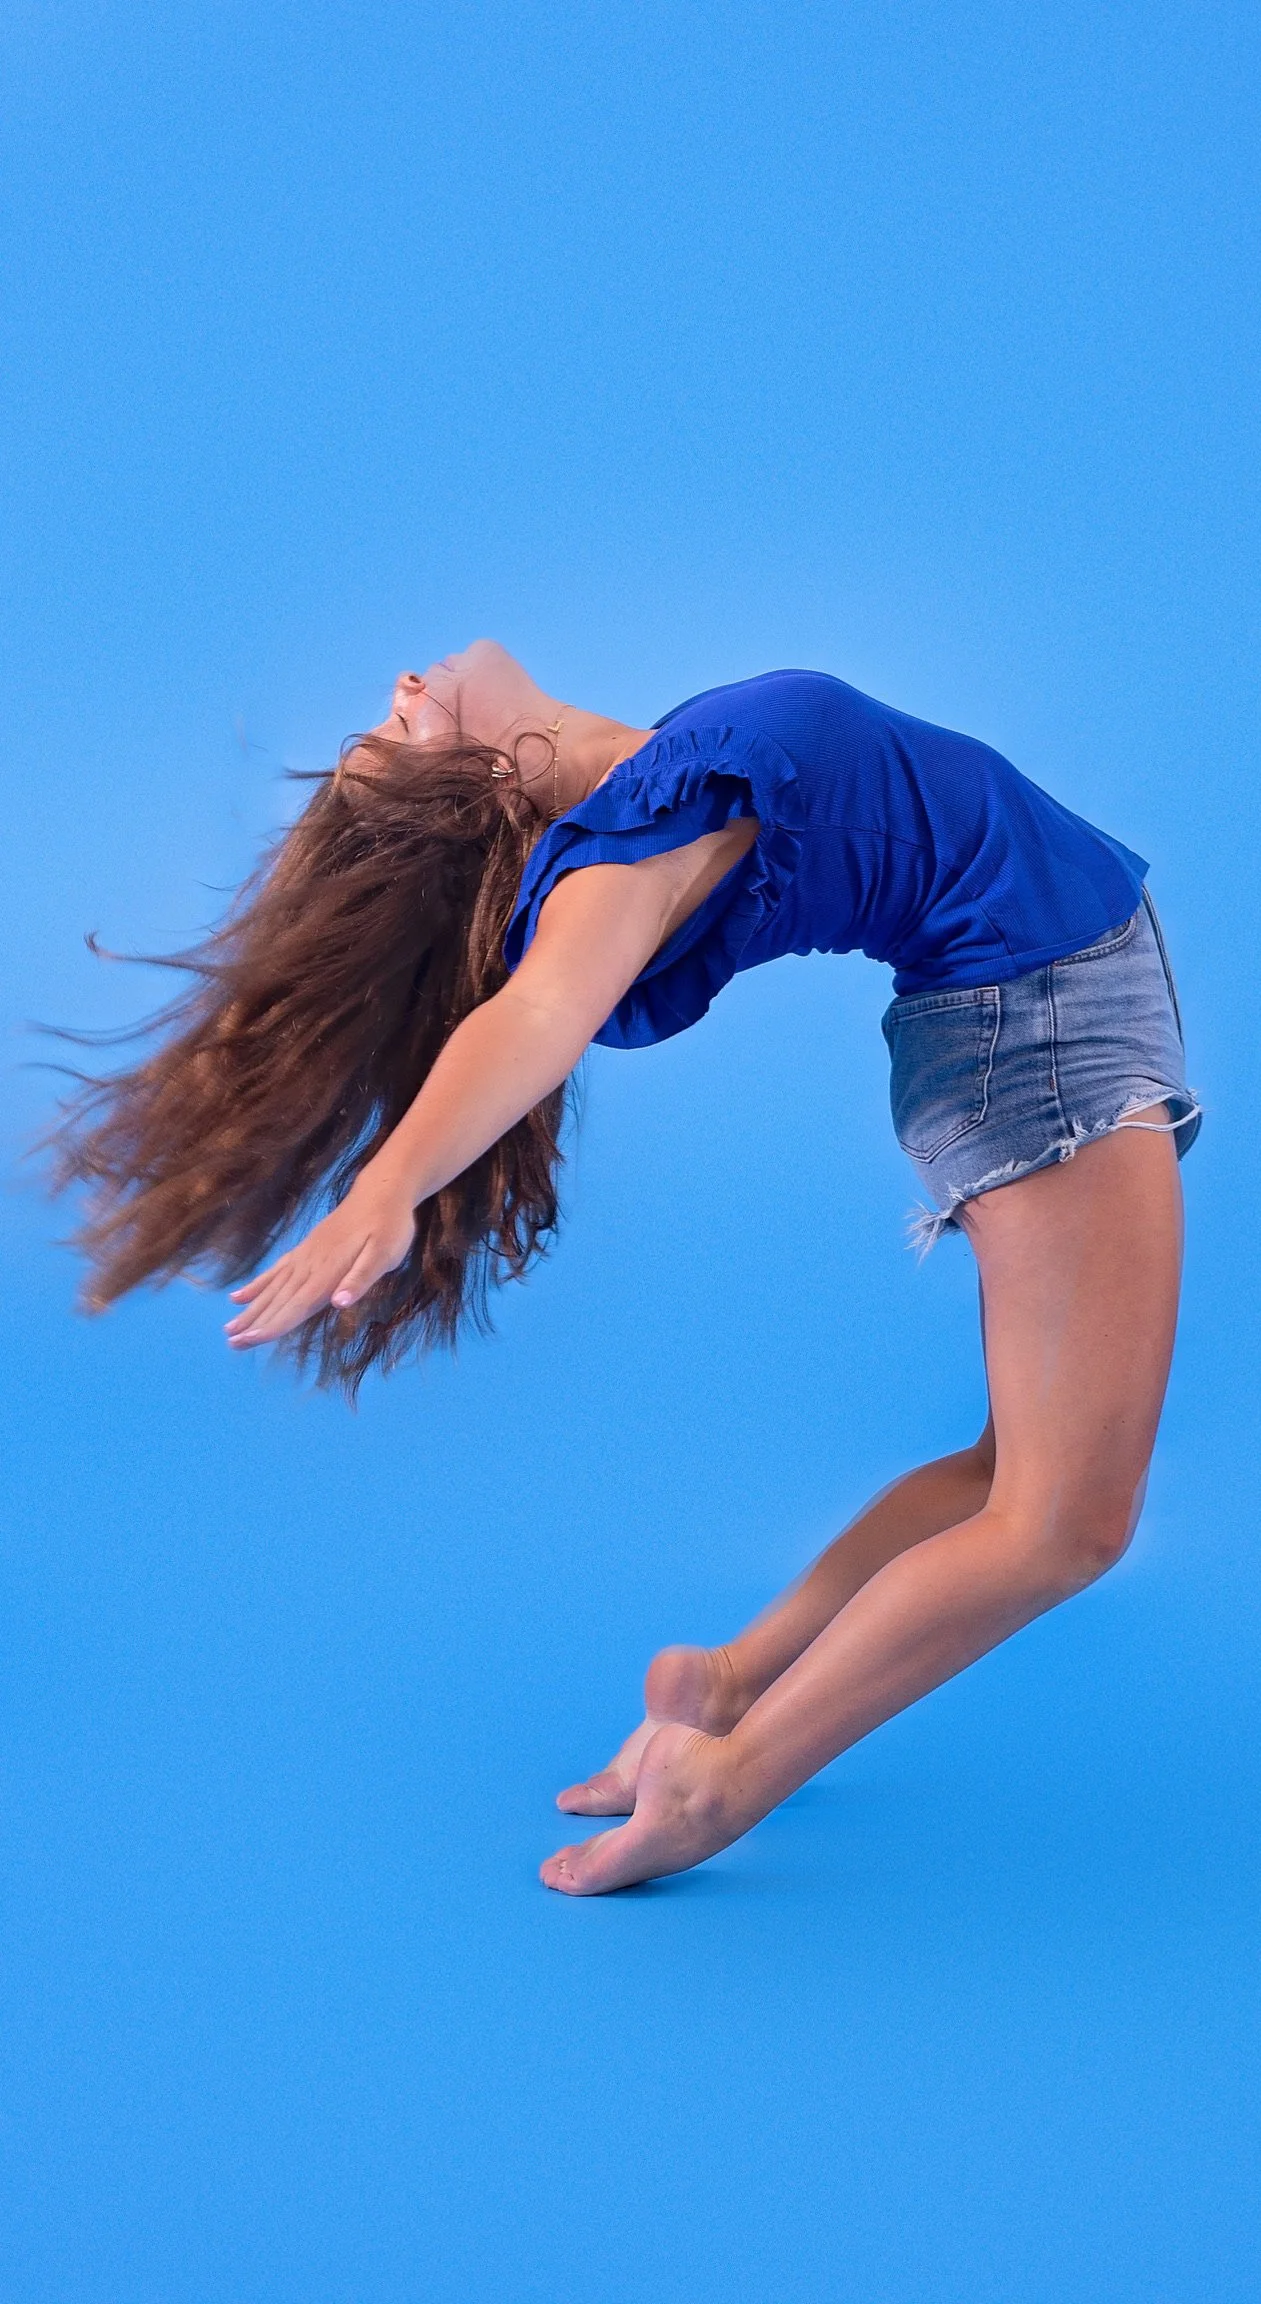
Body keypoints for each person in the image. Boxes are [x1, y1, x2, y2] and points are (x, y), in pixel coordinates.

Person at [53, 641, 1200, 1895]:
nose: (403, 686)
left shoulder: (643, 775)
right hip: (1038, 1032)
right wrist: (389, 1186)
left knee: (1006, 1479)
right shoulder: (620, 854)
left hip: (1036, 1014)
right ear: (484, 785)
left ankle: (728, 1687)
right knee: (1064, 1526)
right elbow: (539, 1014)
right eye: (395, 732)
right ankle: (720, 1787)